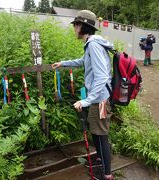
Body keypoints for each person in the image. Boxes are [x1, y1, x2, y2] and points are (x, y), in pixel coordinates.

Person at [52, 10, 114, 180]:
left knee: (101, 136)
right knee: (96, 133)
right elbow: (82, 61)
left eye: (75, 25)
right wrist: (63, 63)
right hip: (98, 98)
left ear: (81, 26)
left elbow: (102, 76)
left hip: (100, 100)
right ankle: (101, 162)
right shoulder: (91, 44)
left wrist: (86, 100)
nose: (74, 29)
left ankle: (107, 174)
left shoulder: (93, 44)